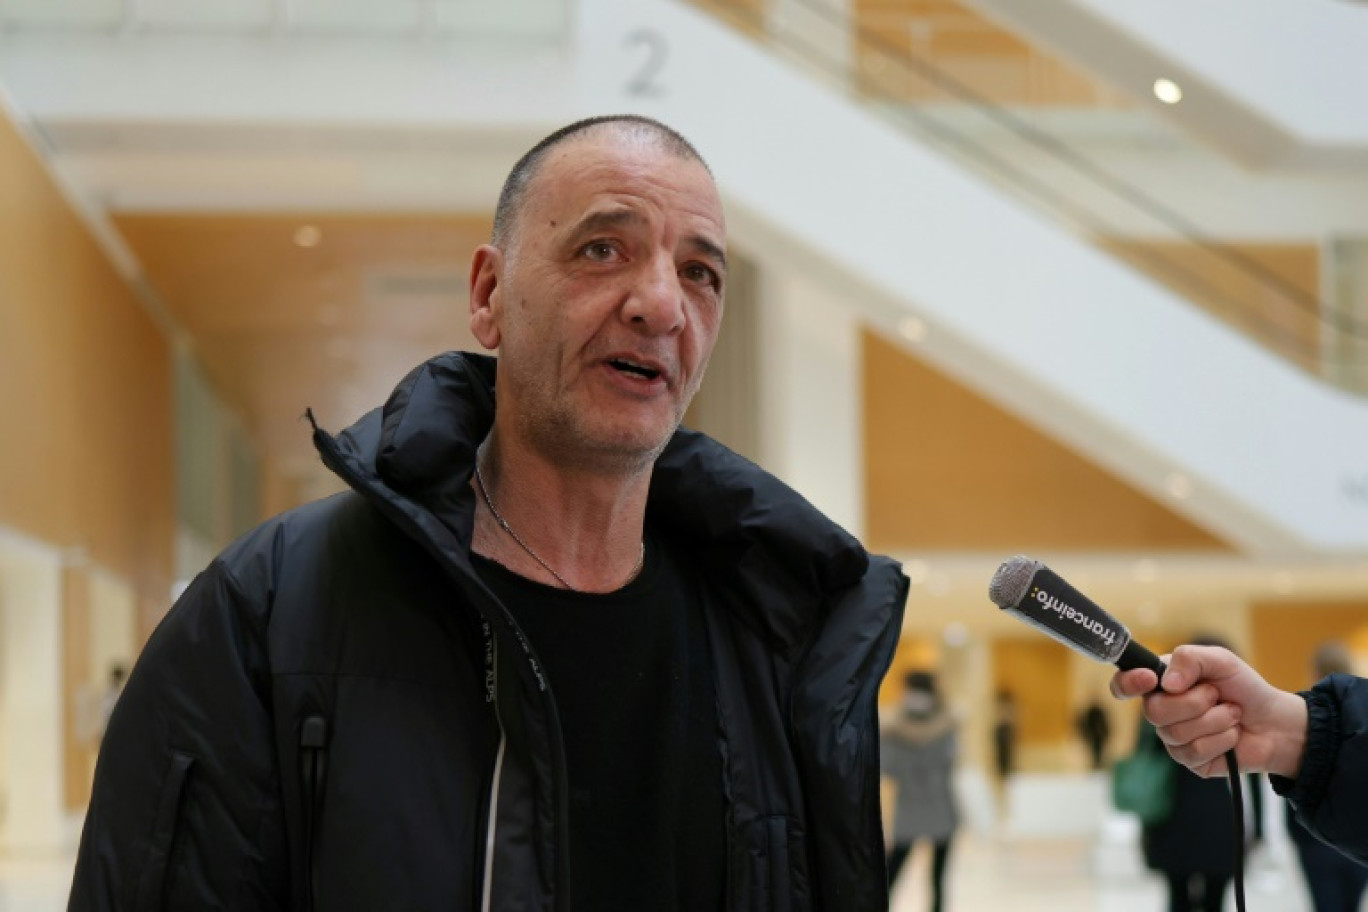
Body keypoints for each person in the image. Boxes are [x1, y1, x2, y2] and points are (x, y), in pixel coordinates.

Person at [68, 115, 910, 911]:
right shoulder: (267, 616)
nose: (661, 305)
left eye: (700, 272)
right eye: (604, 248)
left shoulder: (774, 638)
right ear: (489, 295)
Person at [1110, 643, 1368, 867]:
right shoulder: (1179, 711)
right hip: (1221, 823)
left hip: (1183, 823)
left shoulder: (1166, 713)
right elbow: (1255, 783)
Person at [1285, 642, 1367, 912]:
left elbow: (1292, 781)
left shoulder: (1303, 715)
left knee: (1326, 906)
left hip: (1316, 839)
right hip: (1358, 836)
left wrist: (1299, 834)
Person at [881, 670, 959, 912]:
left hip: (912, 806)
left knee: (891, 874)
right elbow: (950, 762)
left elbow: (888, 768)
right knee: (936, 878)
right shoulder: (948, 724)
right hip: (939, 807)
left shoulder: (893, 727)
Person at [1076, 699, 1111, 770]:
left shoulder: (1098, 712)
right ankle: (1096, 764)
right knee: (1095, 750)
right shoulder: (1093, 712)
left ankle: (1097, 764)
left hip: (1098, 736)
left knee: (1098, 750)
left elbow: (1103, 723)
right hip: (1094, 735)